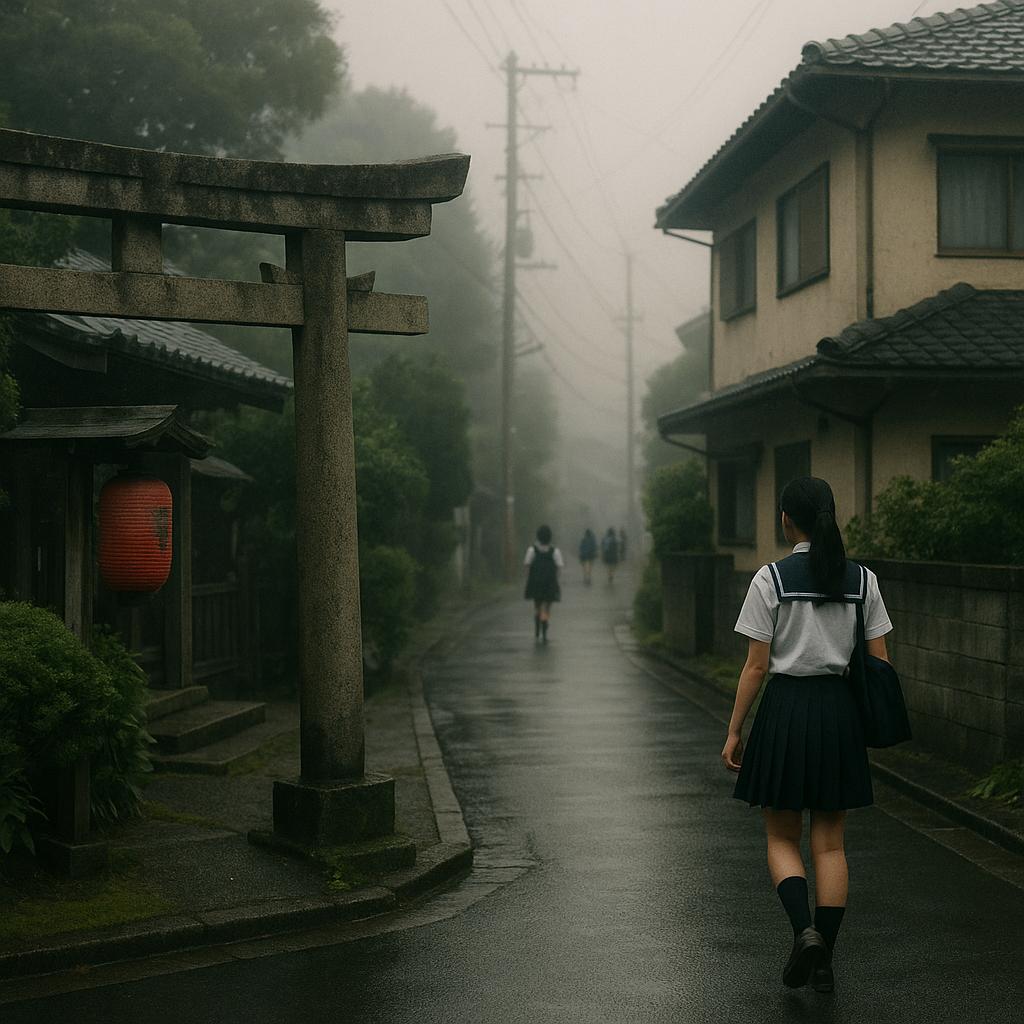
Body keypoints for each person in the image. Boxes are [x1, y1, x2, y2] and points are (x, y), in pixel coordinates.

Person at [721, 477, 892, 993]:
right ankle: (824, 958)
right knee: (831, 845)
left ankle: (804, 933)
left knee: (781, 836)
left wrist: (734, 732)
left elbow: (755, 667)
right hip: (839, 713)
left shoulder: (769, 579)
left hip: (786, 708)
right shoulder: (863, 580)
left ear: (785, 520)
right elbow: (879, 663)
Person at [524, 525, 563, 642]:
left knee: (537, 604)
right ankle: (544, 627)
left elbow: (527, 564)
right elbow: (559, 566)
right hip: (549, 582)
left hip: (535, 581)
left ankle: (537, 624)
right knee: (546, 606)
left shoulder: (532, 550)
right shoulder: (555, 551)